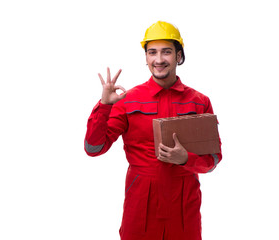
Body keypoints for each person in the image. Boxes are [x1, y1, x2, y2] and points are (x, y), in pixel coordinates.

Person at [84, 21, 222, 240]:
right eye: (152, 52)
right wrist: (104, 106)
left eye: (166, 52)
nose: (159, 59)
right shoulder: (127, 100)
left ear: (178, 56)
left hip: (184, 209)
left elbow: (213, 159)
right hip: (141, 208)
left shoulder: (199, 102)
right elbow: (94, 148)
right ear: (146, 57)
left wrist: (187, 158)